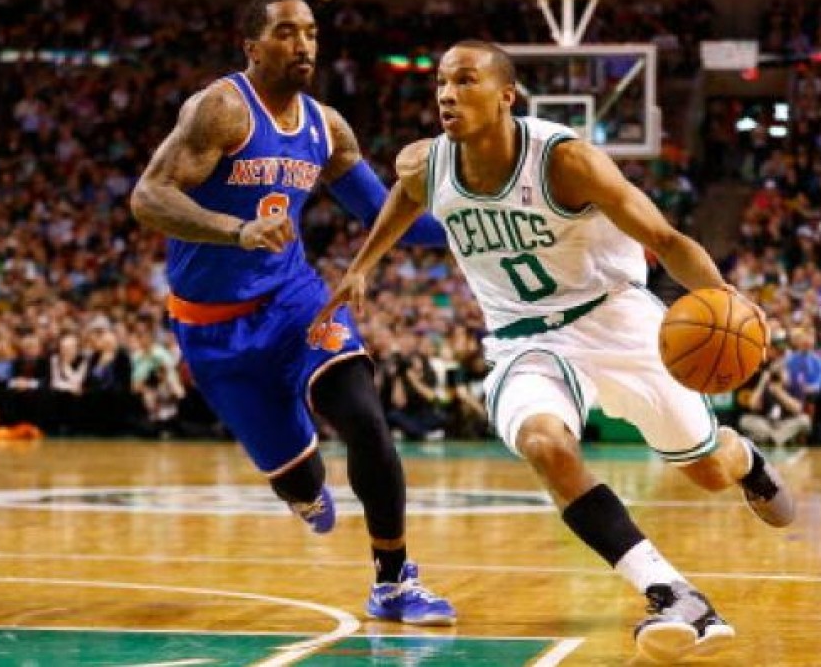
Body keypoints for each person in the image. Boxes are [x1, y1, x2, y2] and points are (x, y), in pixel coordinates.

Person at [311, 40, 795, 662]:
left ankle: (745, 460)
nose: (447, 95)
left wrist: (728, 296)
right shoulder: (425, 164)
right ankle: (671, 592)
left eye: (465, 81)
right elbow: (403, 200)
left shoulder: (566, 162)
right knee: (544, 442)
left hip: (616, 320)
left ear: (506, 96)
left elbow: (664, 237)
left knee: (706, 471)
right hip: (525, 339)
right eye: (441, 84)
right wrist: (361, 267)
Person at [130, 0, 454, 625]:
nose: (302, 43)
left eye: (309, 32)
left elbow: (388, 217)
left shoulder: (327, 128)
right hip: (214, 332)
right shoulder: (220, 110)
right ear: (253, 46)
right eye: (285, 32)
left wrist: (481, 221)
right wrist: (235, 229)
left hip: (295, 301)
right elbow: (148, 197)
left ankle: (393, 582)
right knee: (302, 485)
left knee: (365, 417)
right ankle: (301, 487)